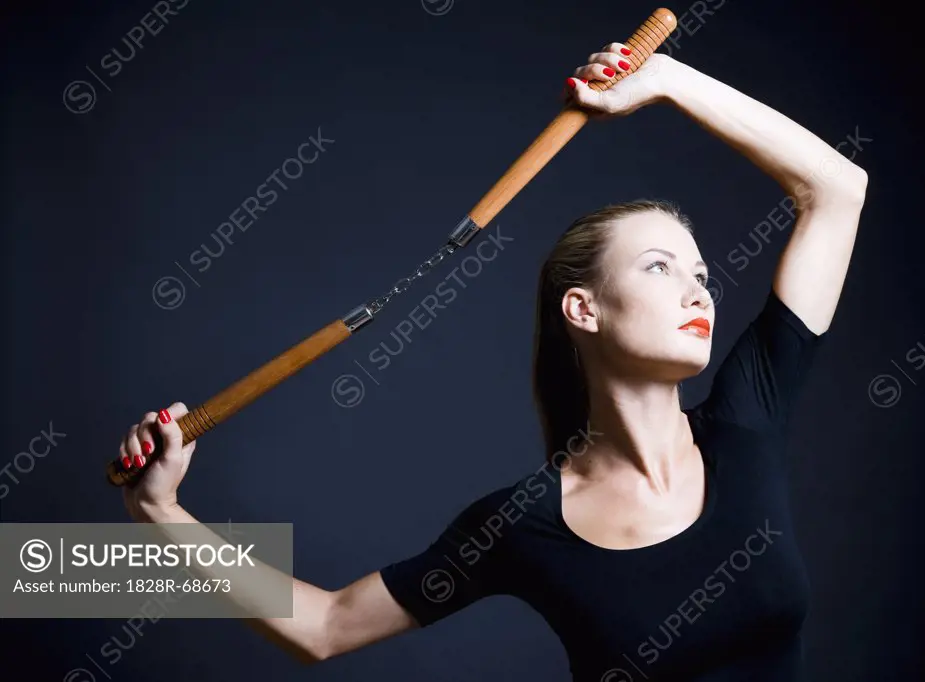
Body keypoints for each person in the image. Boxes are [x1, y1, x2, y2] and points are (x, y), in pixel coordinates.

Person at [119, 42, 867, 680]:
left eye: (702, 273)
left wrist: (667, 80)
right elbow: (326, 627)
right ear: (584, 310)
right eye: (660, 268)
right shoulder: (522, 523)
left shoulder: (746, 419)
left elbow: (837, 189)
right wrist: (159, 512)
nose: (698, 289)